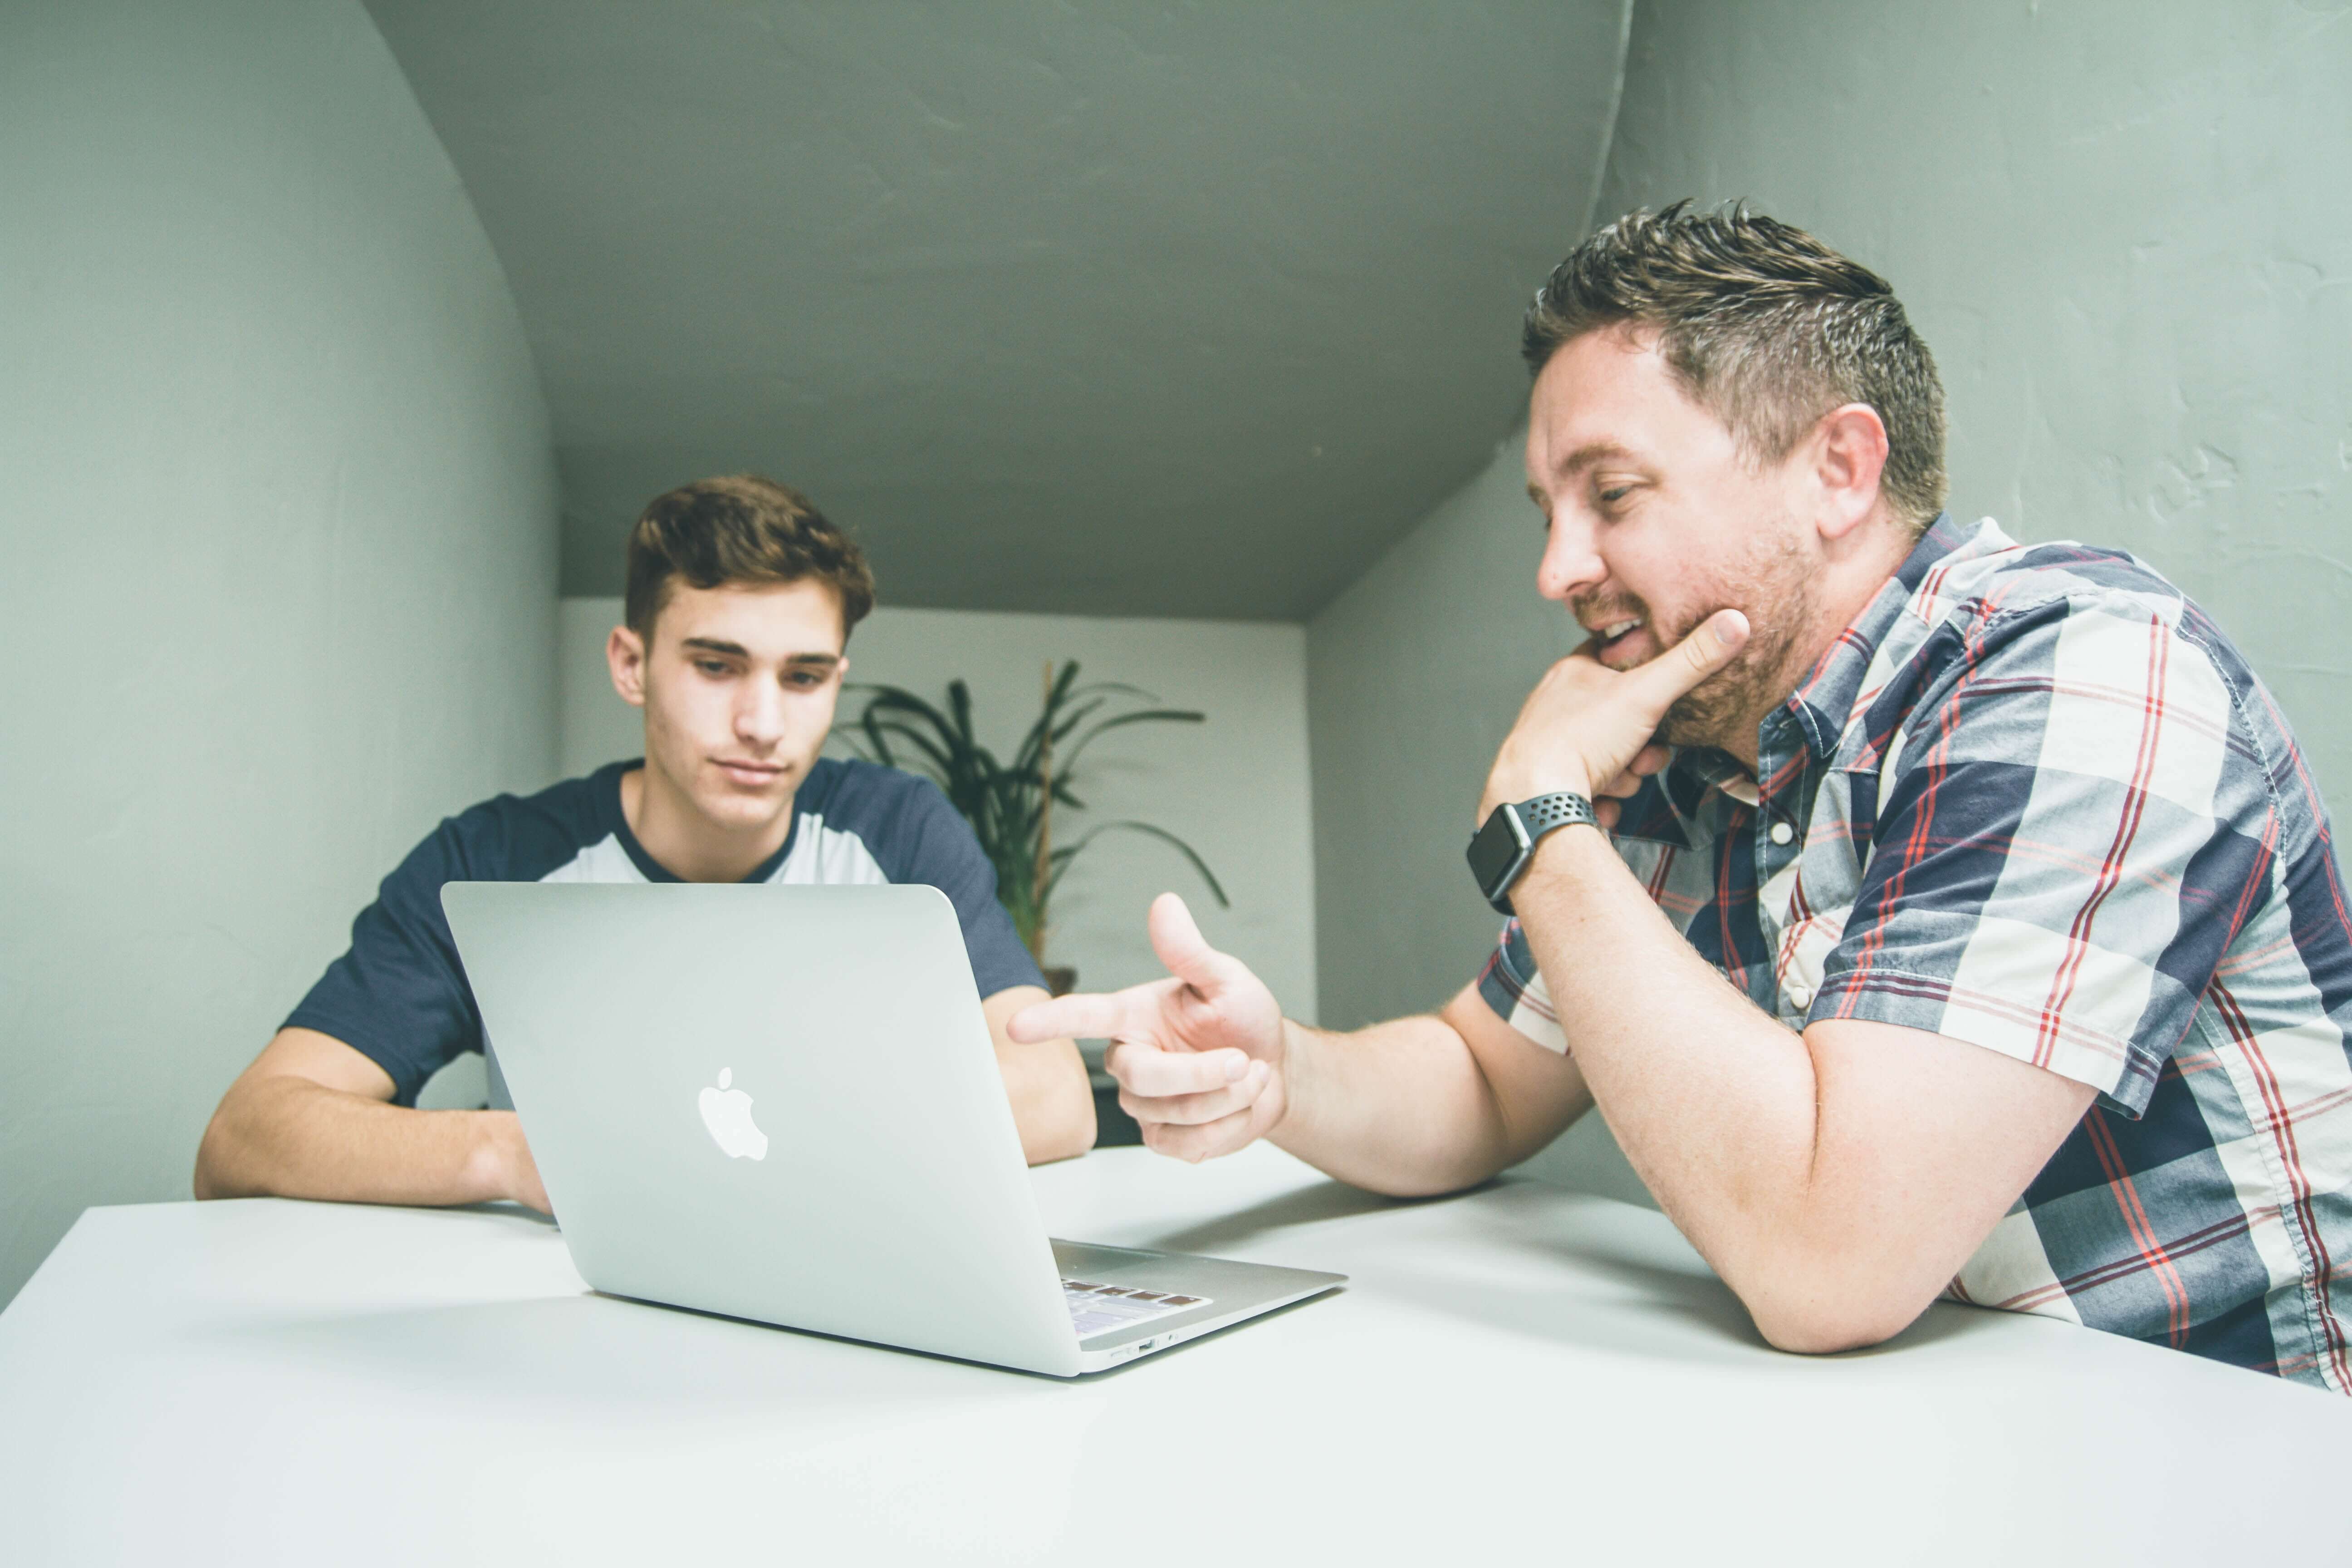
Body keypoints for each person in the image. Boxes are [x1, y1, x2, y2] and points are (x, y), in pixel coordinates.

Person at [1014, 204, 2352, 1391]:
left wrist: (1542, 816)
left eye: (1612, 495)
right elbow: (1486, 1076)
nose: (1558, 567)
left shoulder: (2081, 669)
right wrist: (1280, 1070)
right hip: (1933, 1430)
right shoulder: (1702, 742)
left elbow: (1832, 1262)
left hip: (2232, 1455)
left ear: (1839, 469)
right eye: (1548, 509)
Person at [197, 475, 1094, 1210]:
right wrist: (516, 1154)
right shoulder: (495, 859)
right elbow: (248, 1135)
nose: (763, 723)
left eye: (805, 677)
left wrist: (742, 1141)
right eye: (716, 666)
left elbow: (1056, 1099)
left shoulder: (896, 831)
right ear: (632, 664)